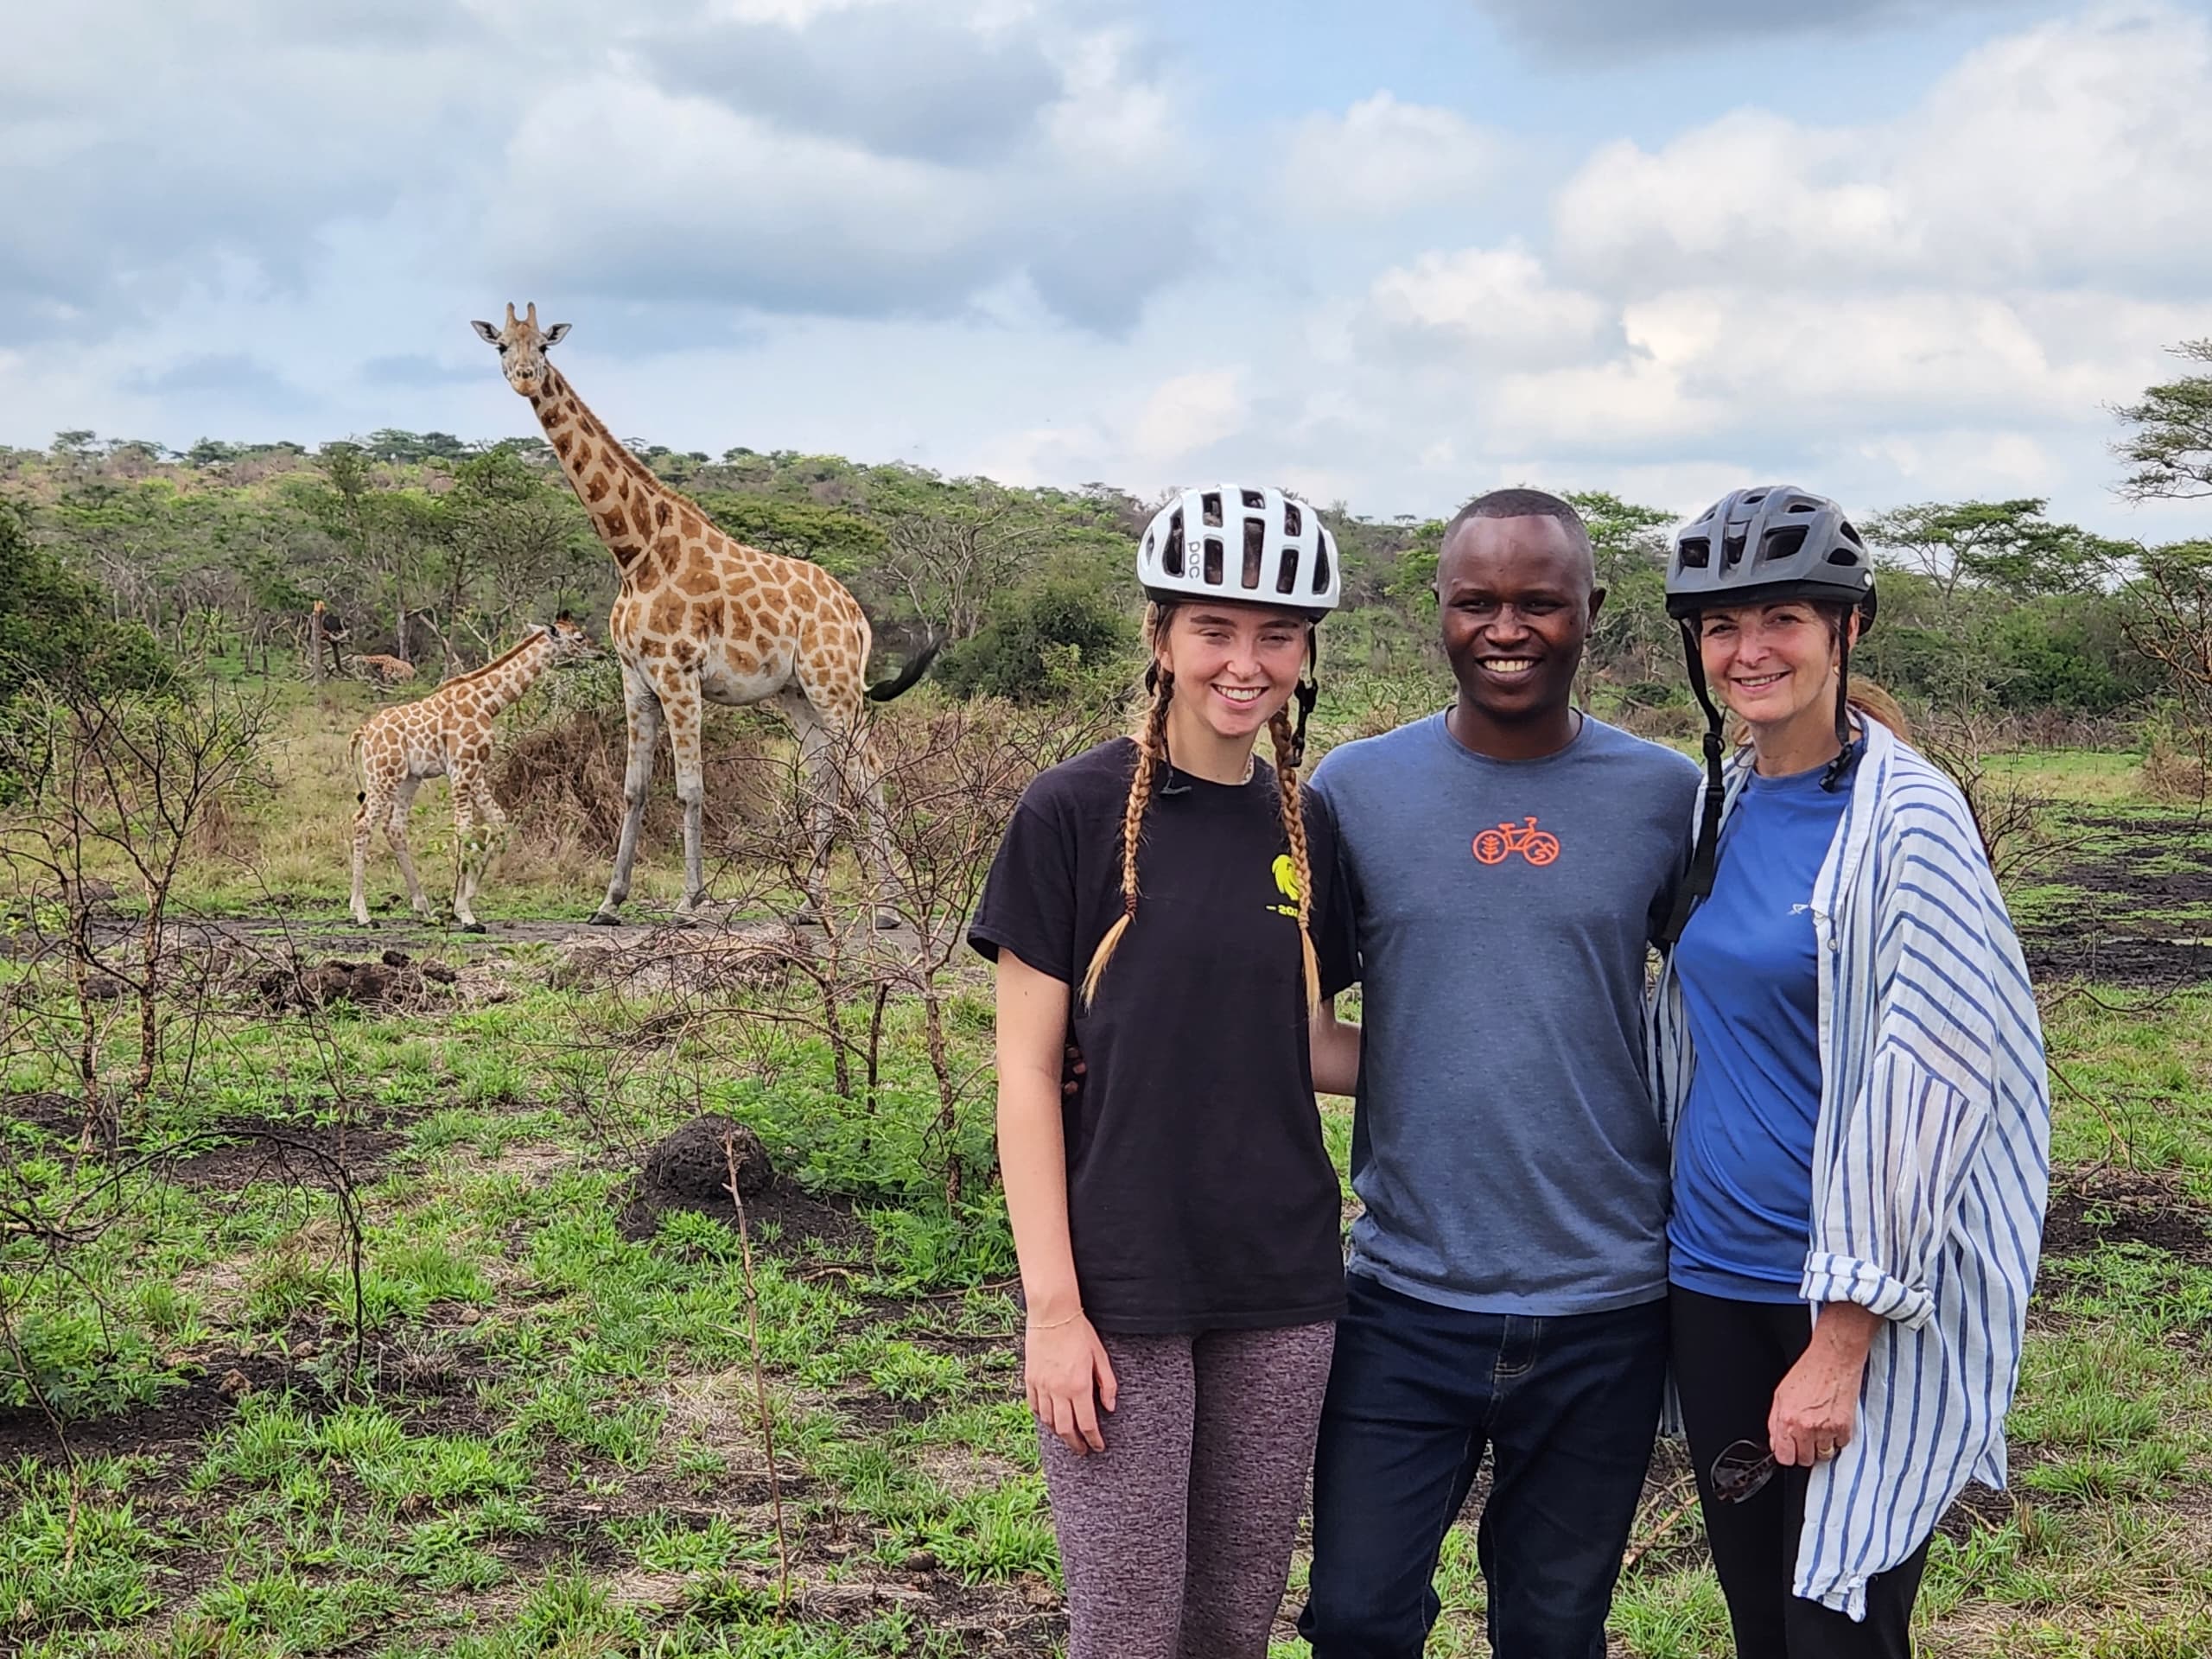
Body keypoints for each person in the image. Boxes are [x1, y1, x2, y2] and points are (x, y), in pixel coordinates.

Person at [1297, 488, 1703, 1659]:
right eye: (1477, 602)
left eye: (1540, 601)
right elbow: (1290, 1015)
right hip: (1404, 1291)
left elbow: (1725, 1002)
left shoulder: (1669, 797)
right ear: (1439, 611)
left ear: (1594, 612)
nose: (1507, 627)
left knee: (1554, 1621)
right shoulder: (1357, 790)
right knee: (1361, 1616)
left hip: (1608, 1299)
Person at [1651, 485, 2050, 1656]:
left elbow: (1937, 1076)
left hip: (1846, 1304)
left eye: (1782, 617)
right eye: (1723, 626)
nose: (1749, 648)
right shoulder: (1716, 808)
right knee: (1761, 1626)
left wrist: (1841, 1341)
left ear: (1846, 630)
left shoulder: (1908, 819)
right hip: (1713, 1285)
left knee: (1841, 1627)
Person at [969, 484, 1362, 1659]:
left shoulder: (1311, 828)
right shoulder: (1072, 813)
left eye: (1277, 635)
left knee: (1232, 1626)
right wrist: (1052, 1311)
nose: (1246, 664)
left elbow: (1299, 1044)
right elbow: (1027, 1077)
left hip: (1282, 1288)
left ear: (1306, 651)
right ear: (1160, 637)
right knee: (1131, 1628)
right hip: (1122, 1284)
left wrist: (1490, 1066)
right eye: (1215, 630)